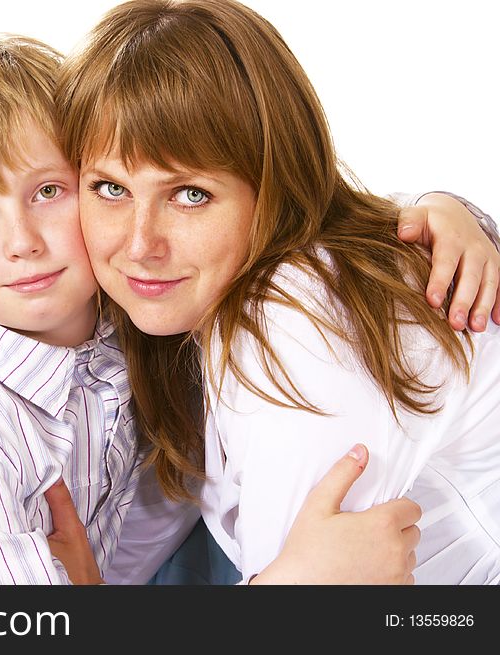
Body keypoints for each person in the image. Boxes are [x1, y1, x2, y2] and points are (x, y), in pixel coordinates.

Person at [0, 27, 500, 586]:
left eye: (50, 192)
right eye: (110, 188)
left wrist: (444, 212)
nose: (140, 245)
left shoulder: (270, 320)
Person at [44, 0, 500, 584]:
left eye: (190, 195)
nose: (140, 244)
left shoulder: (296, 316)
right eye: (110, 187)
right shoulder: (174, 304)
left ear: (275, 184)